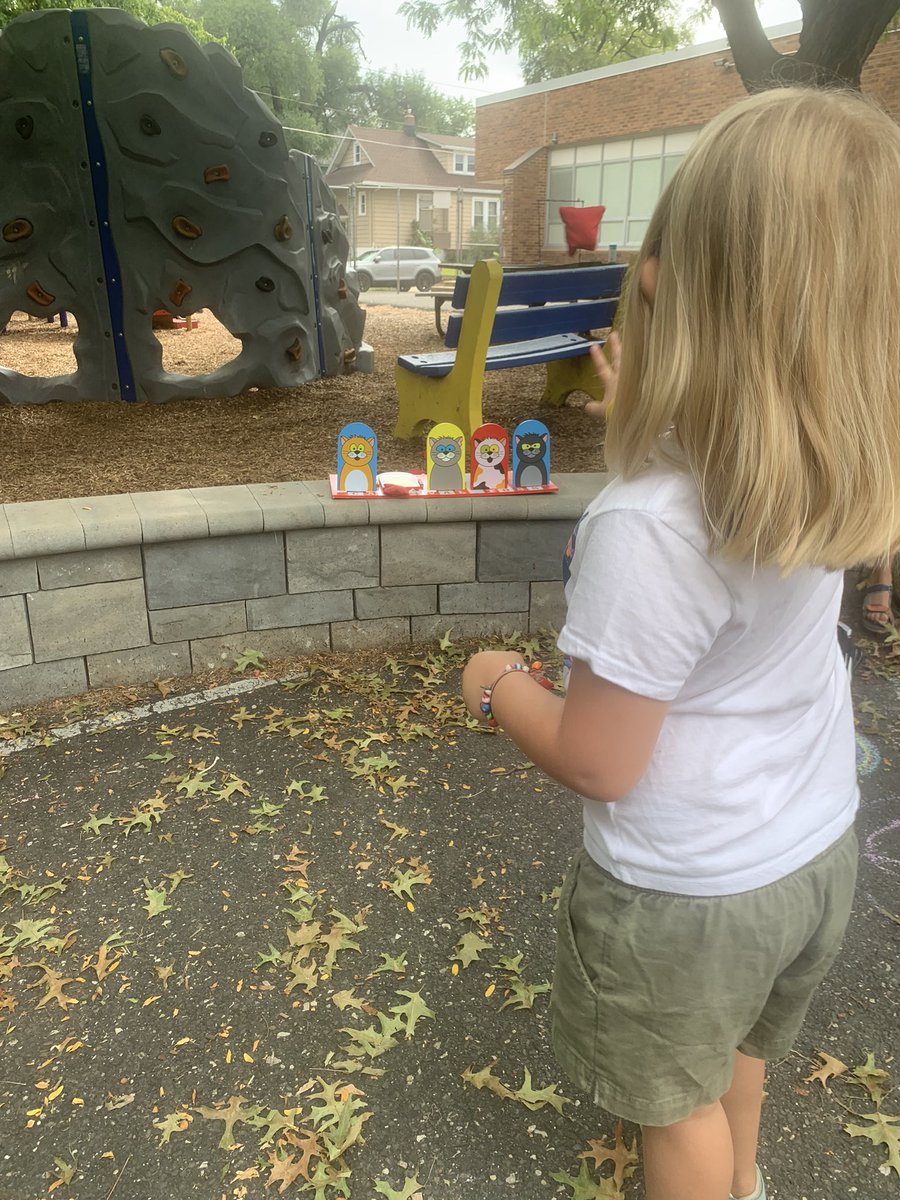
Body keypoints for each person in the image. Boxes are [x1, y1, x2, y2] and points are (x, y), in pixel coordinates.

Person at [461, 87, 900, 1200]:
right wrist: (639, 426)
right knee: (736, 1061)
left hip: (686, 897)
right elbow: (720, 475)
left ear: (663, 283)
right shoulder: (825, 472)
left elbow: (603, 758)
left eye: (663, 251)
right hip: (809, 854)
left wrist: (497, 684)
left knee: (680, 1108)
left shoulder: (647, 526)